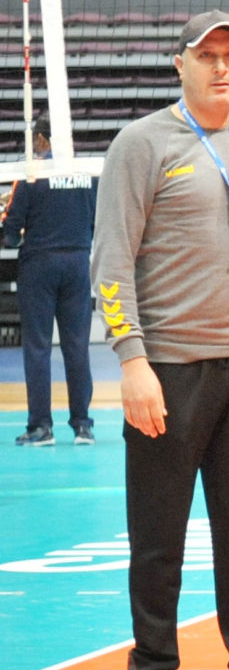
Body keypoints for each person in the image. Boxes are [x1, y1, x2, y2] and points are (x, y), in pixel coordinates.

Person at [93, 11, 229, 670]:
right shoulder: (141, 143)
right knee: (159, 538)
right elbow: (111, 260)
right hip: (170, 371)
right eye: (207, 55)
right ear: (180, 64)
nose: (221, 67)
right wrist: (132, 361)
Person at [4, 130, 97, 447]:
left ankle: (41, 427)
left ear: (43, 138)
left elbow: (10, 232)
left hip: (39, 266)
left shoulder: (32, 174)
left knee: (38, 347)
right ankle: (83, 426)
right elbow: (96, 220)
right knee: (77, 346)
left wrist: (19, 230)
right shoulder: (88, 173)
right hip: (78, 263)